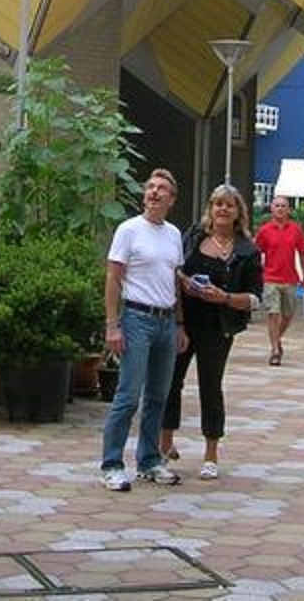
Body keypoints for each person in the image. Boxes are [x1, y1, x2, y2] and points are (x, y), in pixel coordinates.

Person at [159, 183, 263, 480]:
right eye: (217, 203)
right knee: (171, 380)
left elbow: (255, 297)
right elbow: (173, 268)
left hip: (218, 326)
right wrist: (185, 281)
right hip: (184, 320)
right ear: (210, 208)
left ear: (237, 212)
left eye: (229, 205)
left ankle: (211, 453)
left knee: (210, 385)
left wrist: (226, 298)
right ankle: (165, 444)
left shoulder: (247, 250)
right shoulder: (192, 236)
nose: (222, 209)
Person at [99, 167, 188, 492]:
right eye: (150, 187)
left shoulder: (174, 235)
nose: (153, 192)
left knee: (158, 396)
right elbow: (113, 277)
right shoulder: (128, 230)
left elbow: (174, 281)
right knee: (128, 395)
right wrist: (113, 325)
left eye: (161, 188)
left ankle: (149, 460)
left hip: (165, 320)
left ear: (171, 199)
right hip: (135, 318)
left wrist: (179, 323)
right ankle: (111, 464)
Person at [254, 194, 304, 365]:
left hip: (290, 278)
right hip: (270, 278)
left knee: (288, 314)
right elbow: (256, 254)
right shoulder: (264, 231)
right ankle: (275, 350)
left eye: (283, 206)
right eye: (277, 205)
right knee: (273, 313)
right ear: (271, 208)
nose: (280, 209)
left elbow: (302, 253)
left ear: (289, 210)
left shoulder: (296, 230)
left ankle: (276, 338)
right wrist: (257, 274)